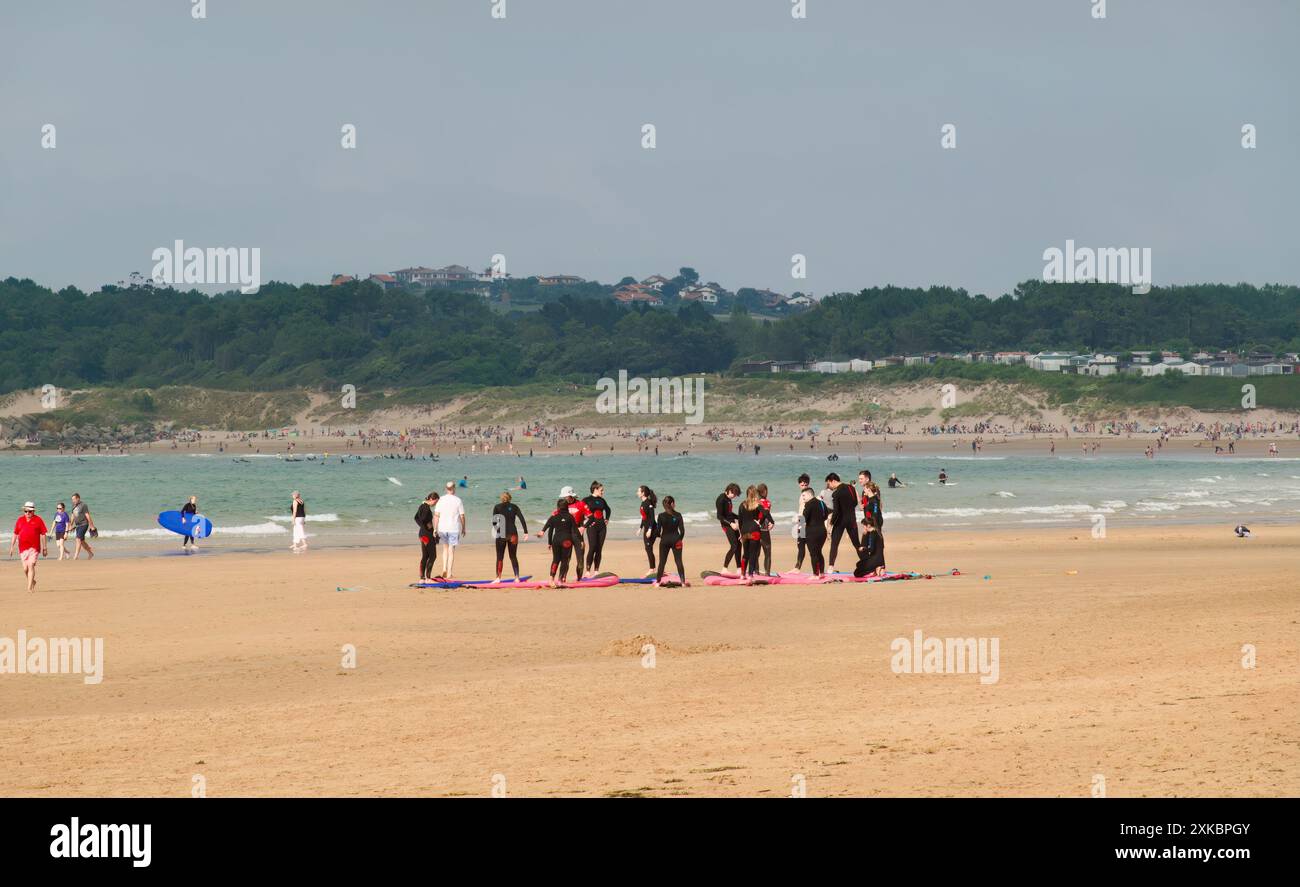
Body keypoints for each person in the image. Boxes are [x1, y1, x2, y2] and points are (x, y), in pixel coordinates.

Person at [10, 502, 48, 592]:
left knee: (31, 565)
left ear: (33, 511)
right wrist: (12, 546)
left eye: (29, 511)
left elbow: (43, 534)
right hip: (22, 548)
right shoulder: (20, 520)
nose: (27, 513)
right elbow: (15, 534)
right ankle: (32, 582)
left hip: (34, 548)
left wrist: (44, 548)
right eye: (25, 511)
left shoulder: (38, 520)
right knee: (25, 569)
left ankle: (29, 588)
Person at [541, 498, 579, 586]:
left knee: (555, 560)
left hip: (556, 540)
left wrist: (549, 542)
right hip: (567, 541)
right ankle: (560, 580)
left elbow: (549, 528)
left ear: (558, 507)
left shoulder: (554, 517)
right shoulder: (570, 516)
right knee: (564, 561)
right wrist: (580, 541)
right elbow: (575, 530)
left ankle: (551, 579)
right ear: (567, 507)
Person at [492, 491, 528, 581]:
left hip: (502, 533)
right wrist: (525, 532)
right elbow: (522, 519)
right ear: (510, 498)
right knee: (513, 556)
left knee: (500, 556)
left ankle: (498, 578)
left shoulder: (497, 507)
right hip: (513, 533)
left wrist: (498, 531)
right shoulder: (514, 507)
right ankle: (517, 577)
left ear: (501, 498)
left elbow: (494, 522)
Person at [826, 473, 859, 570]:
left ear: (833, 481)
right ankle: (867, 563)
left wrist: (830, 524)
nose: (829, 486)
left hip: (840, 522)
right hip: (852, 519)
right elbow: (855, 502)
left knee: (834, 544)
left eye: (829, 483)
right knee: (856, 543)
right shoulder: (851, 488)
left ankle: (831, 567)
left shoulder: (836, 493)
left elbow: (836, 511)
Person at [433, 481, 466, 579]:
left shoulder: (441, 500)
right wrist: (464, 527)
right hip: (453, 528)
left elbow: (436, 515)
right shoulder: (458, 500)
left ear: (446, 488)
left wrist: (435, 528)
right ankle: (449, 572)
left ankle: (444, 568)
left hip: (442, 528)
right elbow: (462, 516)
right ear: (454, 488)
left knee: (445, 548)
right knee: (451, 550)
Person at [558, 486, 592, 580]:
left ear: (571, 495)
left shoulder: (581, 504)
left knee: (580, 560)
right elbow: (554, 518)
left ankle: (579, 579)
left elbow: (591, 517)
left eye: (566, 496)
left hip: (578, 535)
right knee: (566, 558)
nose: (564, 498)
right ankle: (562, 578)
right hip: (566, 534)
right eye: (563, 497)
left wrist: (583, 527)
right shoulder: (562, 505)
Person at [736, 485, 769, 582]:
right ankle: (750, 575)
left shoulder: (742, 505)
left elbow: (740, 521)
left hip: (745, 532)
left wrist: (740, 533)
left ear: (747, 494)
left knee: (745, 554)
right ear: (756, 494)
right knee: (753, 554)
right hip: (755, 531)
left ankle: (742, 575)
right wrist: (760, 521)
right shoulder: (757, 504)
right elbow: (766, 513)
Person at [655, 495, 688, 586]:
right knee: (678, 561)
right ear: (672, 503)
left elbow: (658, 532)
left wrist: (661, 536)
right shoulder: (678, 515)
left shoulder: (661, 516)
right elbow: (682, 531)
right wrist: (679, 540)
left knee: (662, 562)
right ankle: (683, 582)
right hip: (676, 540)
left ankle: (658, 582)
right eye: (674, 503)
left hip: (664, 540)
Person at [582, 481, 611, 573]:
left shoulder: (602, 500)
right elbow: (581, 510)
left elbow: (608, 509)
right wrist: (584, 522)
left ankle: (596, 571)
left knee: (599, 548)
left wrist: (607, 519)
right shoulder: (586, 500)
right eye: (601, 490)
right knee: (592, 547)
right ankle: (587, 571)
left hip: (602, 527)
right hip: (592, 527)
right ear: (595, 489)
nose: (603, 492)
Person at [800, 488, 829, 576]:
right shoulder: (821, 503)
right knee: (819, 552)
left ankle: (815, 575)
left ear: (809, 494)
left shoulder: (809, 504)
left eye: (804, 495)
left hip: (812, 532)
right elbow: (825, 516)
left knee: (813, 554)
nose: (802, 497)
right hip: (822, 531)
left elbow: (803, 518)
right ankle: (822, 573)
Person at [715, 483, 742, 571]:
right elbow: (719, 516)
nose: (734, 496)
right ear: (729, 491)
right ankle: (724, 568)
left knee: (739, 545)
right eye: (734, 494)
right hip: (726, 525)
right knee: (734, 545)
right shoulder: (721, 499)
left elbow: (729, 513)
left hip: (732, 523)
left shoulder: (729, 499)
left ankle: (739, 569)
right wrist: (731, 524)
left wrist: (739, 517)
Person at [414, 492, 439, 580]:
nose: (435, 504)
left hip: (423, 534)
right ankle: (427, 577)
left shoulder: (422, 506)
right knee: (432, 556)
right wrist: (428, 526)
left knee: (425, 556)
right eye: (435, 502)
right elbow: (422, 519)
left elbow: (416, 518)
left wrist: (423, 526)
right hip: (426, 535)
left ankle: (422, 577)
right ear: (431, 499)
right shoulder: (425, 507)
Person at [853, 512, 886, 578]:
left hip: (876, 560)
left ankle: (875, 569)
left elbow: (871, 549)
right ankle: (877, 568)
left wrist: (863, 549)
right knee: (859, 564)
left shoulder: (872, 534)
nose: (863, 528)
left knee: (857, 572)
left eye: (863, 526)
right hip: (880, 559)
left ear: (868, 525)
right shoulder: (877, 532)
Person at [638, 485, 659, 576]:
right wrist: (640, 528)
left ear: (643, 493)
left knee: (648, 548)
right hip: (647, 529)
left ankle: (652, 569)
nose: (637, 493)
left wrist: (650, 529)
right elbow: (644, 517)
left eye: (638, 491)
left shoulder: (648, 504)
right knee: (648, 548)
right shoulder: (643, 503)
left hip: (652, 529)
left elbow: (651, 518)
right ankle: (653, 568)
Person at [755, 482, 776, 576]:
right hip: (764, 529)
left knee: (756, 552)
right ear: (765, 491)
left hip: (754, 528)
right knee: (767, 552)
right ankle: (767, 573)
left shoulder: (755, 502)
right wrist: (772, 522)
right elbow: (765, 514)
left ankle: (756, 572)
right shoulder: (767, 502)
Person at [69, 493, 95, 560]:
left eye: (74, 499)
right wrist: (70, 525)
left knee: (78, 539)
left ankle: (76, 556)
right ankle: (90, 553)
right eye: (72, 499)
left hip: (84, 524)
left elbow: (87, 515)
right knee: (82, 541)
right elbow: (72, 516)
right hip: (77, 525)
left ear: (78, 498)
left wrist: (91, 525)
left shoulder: (83, 505)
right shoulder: (73, 506)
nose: (73, 501)